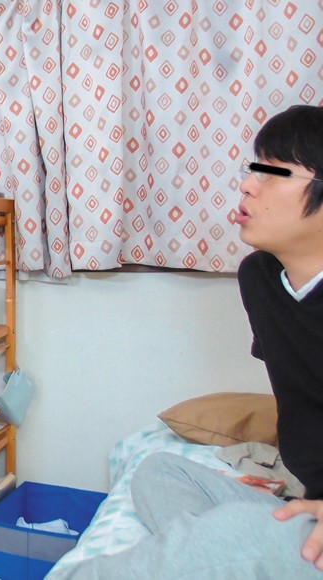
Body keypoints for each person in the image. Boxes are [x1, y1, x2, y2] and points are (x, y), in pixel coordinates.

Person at [52, 104, 323, 579]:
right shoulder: (261, 278)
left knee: (230, 532)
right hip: (311, 502)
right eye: (253, 169)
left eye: (273, 172)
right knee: (160, 472)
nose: (247, 184)